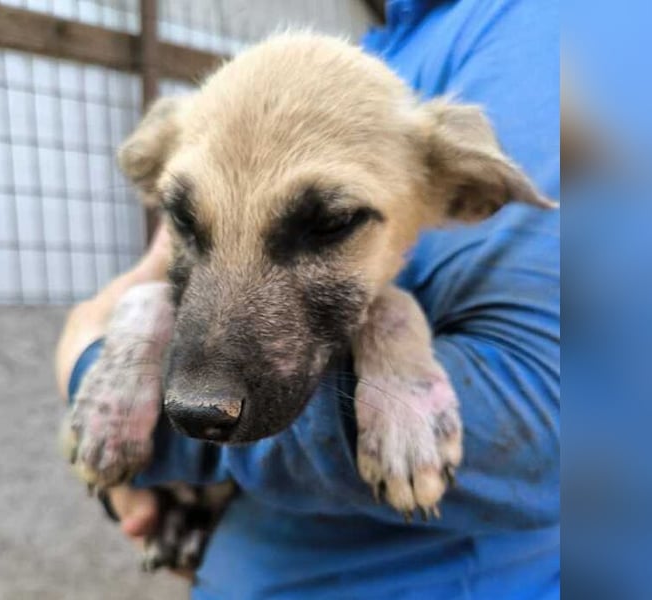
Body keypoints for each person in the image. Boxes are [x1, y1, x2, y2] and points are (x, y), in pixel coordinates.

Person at [55, 0, 559, 597]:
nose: (196, 395)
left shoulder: (542, 26)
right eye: (188, 218)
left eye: (329, 225)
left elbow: (547, 428)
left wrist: (83, 356)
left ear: (467, 192)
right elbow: (155, 276)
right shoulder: (389, 45)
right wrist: (133, 322)